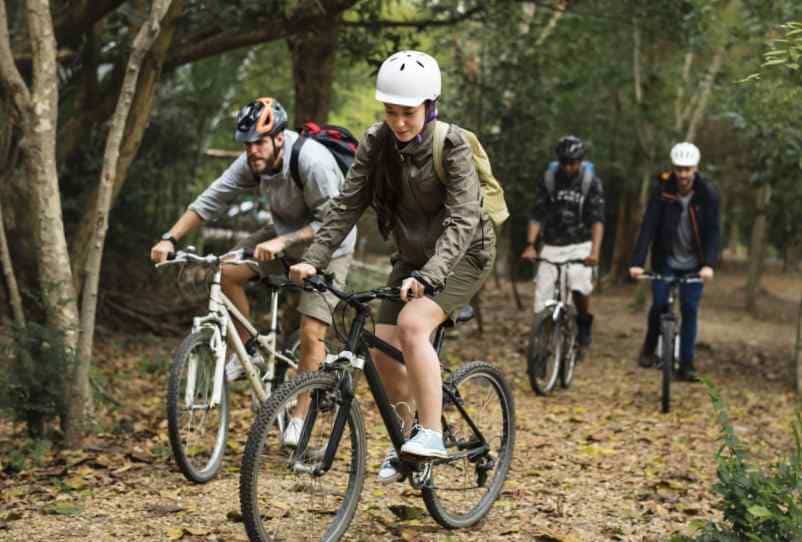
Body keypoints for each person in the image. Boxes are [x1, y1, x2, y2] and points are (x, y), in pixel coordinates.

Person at [289, 50, 496, 483]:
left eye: (408, 112)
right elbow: (347, 204)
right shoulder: (376, 141)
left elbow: (462, 220)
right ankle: (409, 443)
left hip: (464, 254)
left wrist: (430, 277)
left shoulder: (452, 144)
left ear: (429, 106)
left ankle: (433, 433)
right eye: (391, 112)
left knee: (413, 327)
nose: (398, 122)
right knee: (384, 352)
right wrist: (313, 259)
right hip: (413, 257)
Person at [150, 97, 356, 445]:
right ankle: (248, 350)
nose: (252, 152)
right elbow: (210, 200)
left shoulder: (311, 161)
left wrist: (283, 242)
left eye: (259, 142)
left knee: (311, 332)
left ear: (279, 137)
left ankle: (299, 418)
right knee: (228, 270)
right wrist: (170, 237)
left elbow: (333, 220)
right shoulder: (253, 162)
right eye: (247, 145)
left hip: (330, 243)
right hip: (282, 237)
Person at [629, 142, 720, 382]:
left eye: (688, 169)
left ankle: (687, 364)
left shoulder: (707, 193)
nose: (683, 175)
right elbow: (648, 227)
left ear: (696, 169)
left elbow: (713, 232)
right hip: (665, 260)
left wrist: (709, 264)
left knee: (689, 308)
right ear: (673, 169)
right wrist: (637, 262)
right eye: (679, 169)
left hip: (694, 263)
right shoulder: (662, 191)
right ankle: (649, 348)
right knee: (659, 304)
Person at [520, 135, 605, 347]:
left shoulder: (590, 181)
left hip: (580, 244)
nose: (568, 167)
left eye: (573, 163)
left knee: (579, 286)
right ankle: (541, 346)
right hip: (551, 244)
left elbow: (597, 220)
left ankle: (584, 320)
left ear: (580, 161)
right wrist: (530, 245)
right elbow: (537, 214)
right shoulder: (549, 178)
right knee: (542, 300)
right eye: (564, 162)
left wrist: (594, 252)